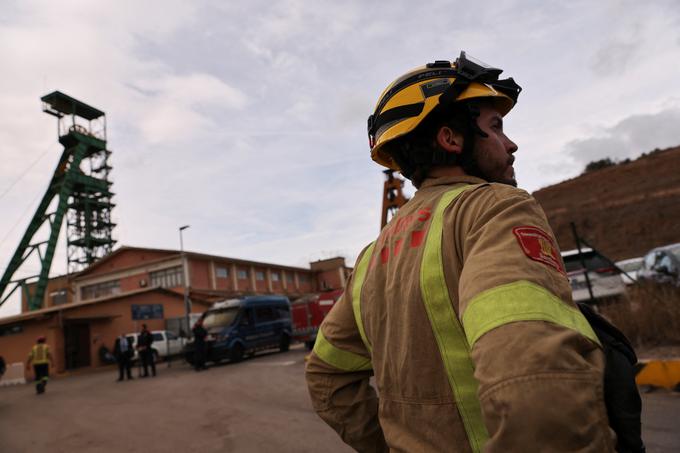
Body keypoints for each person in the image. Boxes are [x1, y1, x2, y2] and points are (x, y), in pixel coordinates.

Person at [305, 52, 642, 452]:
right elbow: (535, 388)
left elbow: (326, 376)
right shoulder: (495, 208)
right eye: (496, 127)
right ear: (451, 138)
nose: (511, 143)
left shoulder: (369, 260)